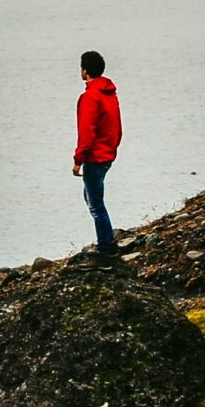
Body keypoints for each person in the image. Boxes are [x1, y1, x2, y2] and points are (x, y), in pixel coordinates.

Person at [73, 51, 122, 258]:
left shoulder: (90, 97)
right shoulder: (109, 94)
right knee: (91, 196)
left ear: (85, 71)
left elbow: (86, 132)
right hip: (107, 154)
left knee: (95, 204)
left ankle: (105, 248)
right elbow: (117, 127)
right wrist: (112, 148)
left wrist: (78, 160)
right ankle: (108, 240)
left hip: (95, 157)